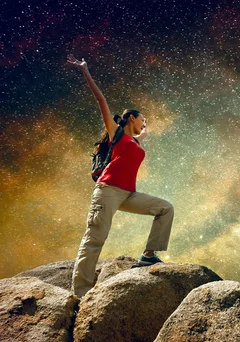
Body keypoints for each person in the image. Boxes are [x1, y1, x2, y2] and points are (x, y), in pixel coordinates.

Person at [67, 55, 174, 298]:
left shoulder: (134, 142)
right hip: (108, 191)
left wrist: (144, 133)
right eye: (142, 119)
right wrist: (85, 69)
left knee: (165, 208)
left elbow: (140, 138)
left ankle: (148, 255)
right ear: (131, 118)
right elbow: (101, 99)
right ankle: (80, 293)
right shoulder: (116, 133)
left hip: (128, 194)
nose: (145, 123)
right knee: (95, 239)